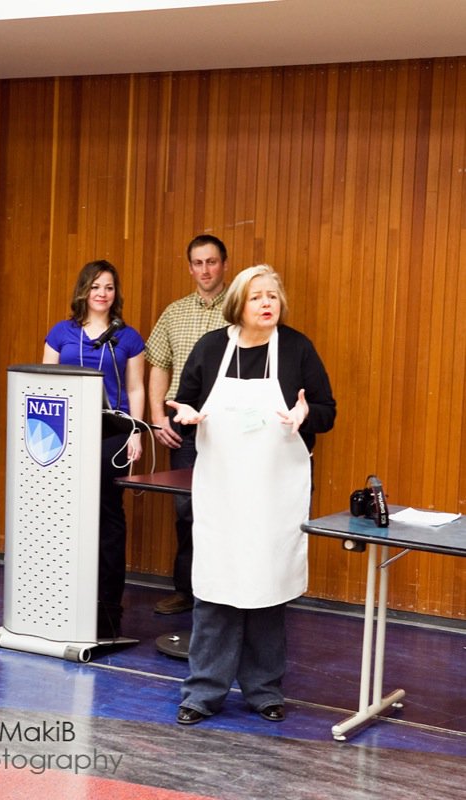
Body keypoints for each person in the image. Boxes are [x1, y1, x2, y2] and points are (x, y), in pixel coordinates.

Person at [167, 264, 336, 724]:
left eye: (272, 297)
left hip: (274, 494)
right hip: (222, 491)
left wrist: (305, 415)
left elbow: (327, 410)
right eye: (257, 296)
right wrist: (185, 416)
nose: (266, 304)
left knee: (267, 588)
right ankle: (202, 692)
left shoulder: (297, 348)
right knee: (216, 589)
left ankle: (264, 690)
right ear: (238, 304)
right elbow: (183, 403)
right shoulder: (210, 348)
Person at [43, 259, 145, 640]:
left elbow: (135, 388)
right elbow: (44, 383)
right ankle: (63, 600)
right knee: (66, 514)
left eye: (109, 287)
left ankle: (108, 609)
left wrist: (136, 431)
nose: (103, 293)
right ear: (83, 290)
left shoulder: (128, 338)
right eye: (96, 286)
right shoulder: (61, 333)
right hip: (66, 434)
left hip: (112, 432)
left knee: (106, 513)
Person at [145, 234, 229, 615]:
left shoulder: (240, 310)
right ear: (190, 268)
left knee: (227, 508)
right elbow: (159, 366)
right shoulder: (174, 313)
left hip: (228, 428)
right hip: (183, 427)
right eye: (198, 263)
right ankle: (186, 589)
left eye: (212, 262)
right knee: (186, 509)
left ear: (224, 265)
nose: (205, 270)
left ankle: (223, 593)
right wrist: (157, 418)